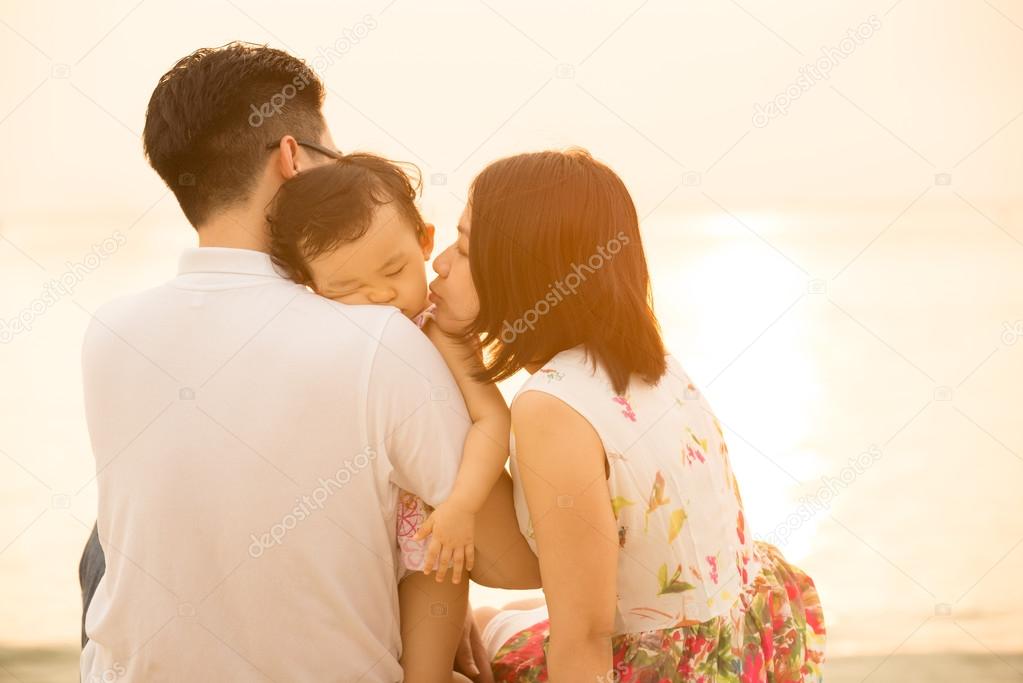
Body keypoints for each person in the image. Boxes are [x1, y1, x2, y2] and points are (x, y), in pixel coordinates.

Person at [79, 42, 536, 682]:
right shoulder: (379, 337)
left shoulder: (109, 332)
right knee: (507, 616)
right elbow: (511, 563)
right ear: (293, 159)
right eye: (334, 160)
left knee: (101, 548)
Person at [427, 149, 827, 681]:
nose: (440, 263)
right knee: (494, 616)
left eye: (466, 247)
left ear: (521, 270)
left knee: (461, 647)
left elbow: (584, 635)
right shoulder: (652, 362)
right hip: (739, 637)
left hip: (667, 668)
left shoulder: (551, 407)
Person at [263, 153, 528, 680]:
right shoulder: (330, 340)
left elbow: (492, 420)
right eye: (346, 290)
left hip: (436, 534)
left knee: (425, 666)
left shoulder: (439, 329)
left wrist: (460, 505)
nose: (382, 296)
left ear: (426, 240)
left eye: (394, 271)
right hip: (373, 534)